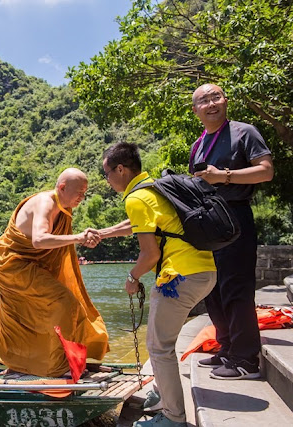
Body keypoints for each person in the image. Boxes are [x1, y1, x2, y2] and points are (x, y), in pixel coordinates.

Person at [99, 142, 217, 427]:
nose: (107, 180)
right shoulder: (153, 188)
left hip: (179, 277)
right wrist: (103, 233)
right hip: (205, 269)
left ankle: (173, 418)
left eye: (107, 174)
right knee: (162, 343)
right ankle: (162, 394)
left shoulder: (135, 199)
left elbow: (149, 254)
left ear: (120, 169)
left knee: (159, 347)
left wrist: (132, 277)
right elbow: (140, 225)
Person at [0, 167, 108, 380]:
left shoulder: (64, 208)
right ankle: (62, 366)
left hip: (31, 264)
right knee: (66, 303)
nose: (82, 198)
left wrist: (88, 237)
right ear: (62, 187)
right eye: (79, 192)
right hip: (13, 263)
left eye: (85, 193)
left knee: (13, 313)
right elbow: (39, 239)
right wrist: (78, 238)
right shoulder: (46, 203)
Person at [189, 83, 273, 380]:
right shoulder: (198, 145)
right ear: (195, 109)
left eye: (216, 97)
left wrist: (224, 176)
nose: (211, 104)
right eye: (204, 100)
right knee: (213, 289)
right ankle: (226, 347)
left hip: (236, 217)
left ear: (225, 101)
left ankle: (246, 360)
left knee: (237, 288)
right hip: (210, 223)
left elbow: (266, 170)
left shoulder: (244, 132)